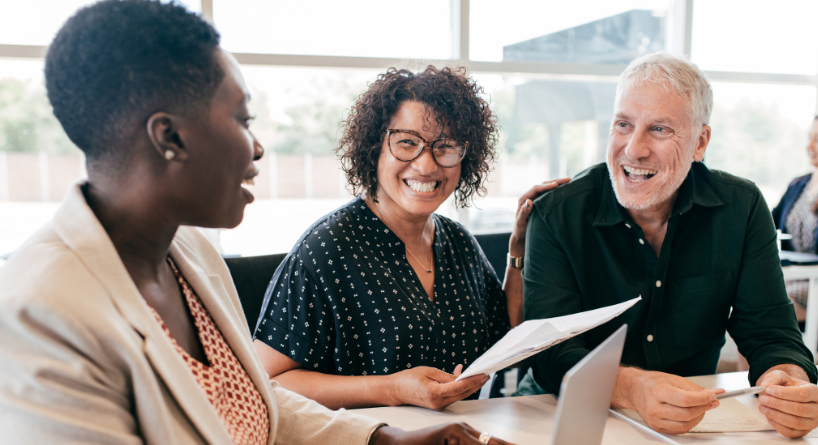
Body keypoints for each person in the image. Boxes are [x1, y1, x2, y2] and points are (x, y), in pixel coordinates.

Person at [0, 2, 514, 444]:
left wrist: (383, 439)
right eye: (241, 118)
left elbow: (261, 403)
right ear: (170, 137)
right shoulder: (33, 317)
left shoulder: (191, 255)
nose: (258, 146)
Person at [520, 51, 818, 439]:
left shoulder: (741, 207)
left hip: (691, 423)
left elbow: (772, 334)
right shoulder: (557, 215)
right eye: (623, 124)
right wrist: (633, 388)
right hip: (564, 414)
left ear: (700, 142)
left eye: (659, 129)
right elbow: (552, 354)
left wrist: (787, 381)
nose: (633, 149)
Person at [253, 65, 569, 410]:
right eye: (407, 143)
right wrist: (391, 389)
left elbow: (507, 333)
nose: (427, 165)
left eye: (445, 146)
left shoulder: (457, 242)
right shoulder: (326, 250)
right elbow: (268, 382)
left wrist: (519, 248)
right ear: (375, 147)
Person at [773, 116, 818, 325]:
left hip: (813, 282)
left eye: (817, 140)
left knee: (763, 313)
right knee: (746, 304)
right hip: (793, 275)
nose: (810, 146)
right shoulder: (798, 184)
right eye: (810, 138)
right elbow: (766, 224)